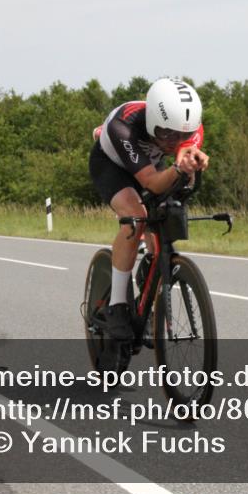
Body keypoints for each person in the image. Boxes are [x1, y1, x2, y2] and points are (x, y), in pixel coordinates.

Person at [89, 78, 209, 339]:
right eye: (168, 134)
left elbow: (182, 168)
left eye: (184, 135)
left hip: (150, 165)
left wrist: (190, 166)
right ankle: (117, 306)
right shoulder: (125, 126)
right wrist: (178, 168)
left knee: (164, 220)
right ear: (153, 120)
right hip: (112, 166)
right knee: (136, 218)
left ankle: (151, 290)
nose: (175, 142)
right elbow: (152, 183)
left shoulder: (189, 127)